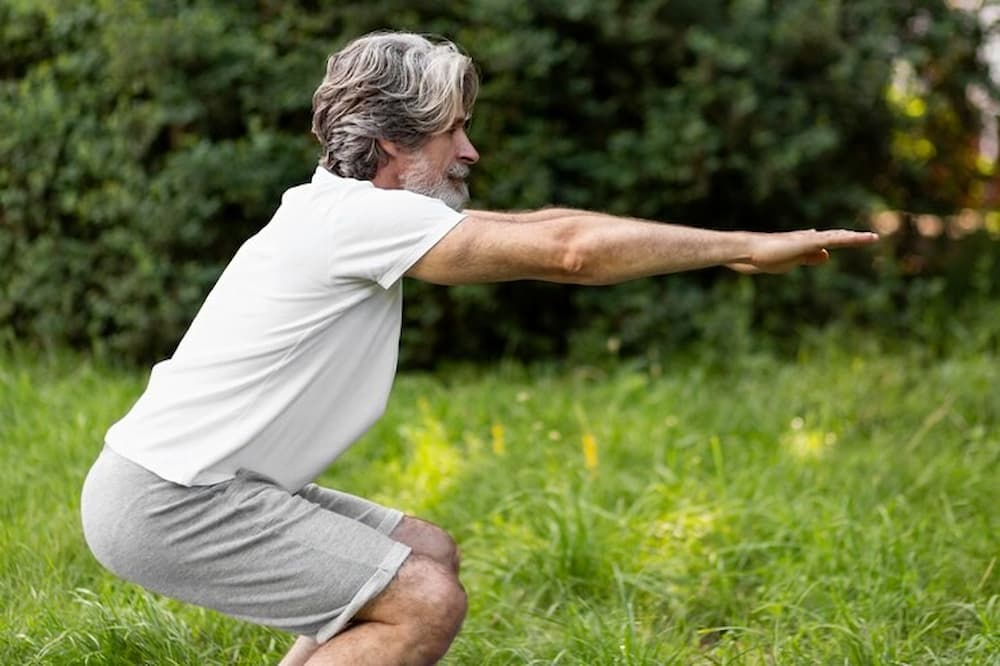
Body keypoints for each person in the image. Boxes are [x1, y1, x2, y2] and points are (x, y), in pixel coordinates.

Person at [79, 31, 879, 666]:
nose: (470, 152)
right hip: (168, 502)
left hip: (197, 486)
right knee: (425, 600)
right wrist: (745, 244)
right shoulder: (354, 221)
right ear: (391, 143)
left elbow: (534, 228)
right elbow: (570, 251)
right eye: (451, 131)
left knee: (427, 552)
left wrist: (734, 248)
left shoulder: (341, 212)